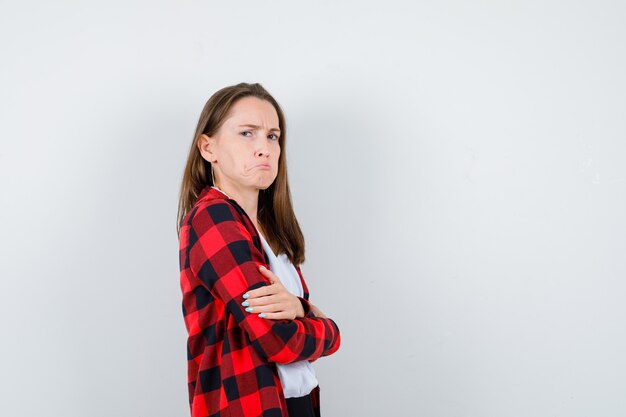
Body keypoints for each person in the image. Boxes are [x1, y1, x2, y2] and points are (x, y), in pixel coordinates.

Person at [176, 82, 341, 417]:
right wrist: (328, 330)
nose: (264, 148)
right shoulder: (213, 217)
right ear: (208, 148)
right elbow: (276, 340)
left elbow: (290, 329)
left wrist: (298, 309)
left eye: (272, 136)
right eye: (247, 133)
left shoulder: (268, 232)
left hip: (292, 403)